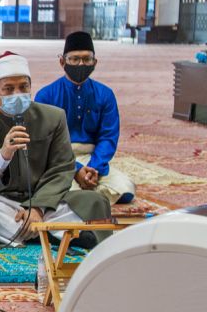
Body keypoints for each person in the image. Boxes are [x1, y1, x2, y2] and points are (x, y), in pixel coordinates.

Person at [0, 52, 111, 247]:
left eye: (23, 87)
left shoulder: (53, 118)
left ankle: (25, 232)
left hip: (48, 205)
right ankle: (54, 233)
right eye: (8, 89)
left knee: (95, 201)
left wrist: (38, 208)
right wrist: (3, 156)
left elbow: (62, 168)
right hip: (4, 204)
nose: (17, 94)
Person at [35, 31, 135, 205]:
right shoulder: (46, 96)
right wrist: (76, 170)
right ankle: (87, 193)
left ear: (95, 62)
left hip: (92, 159)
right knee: (65, 191)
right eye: (74, 59)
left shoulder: (105, 94)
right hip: (59, 161)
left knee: (125, 189)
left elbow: (108, 137)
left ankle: (88, 186)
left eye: (87, 59)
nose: (81, 64)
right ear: (62, 61)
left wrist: (93, 168)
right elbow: (45, 143)